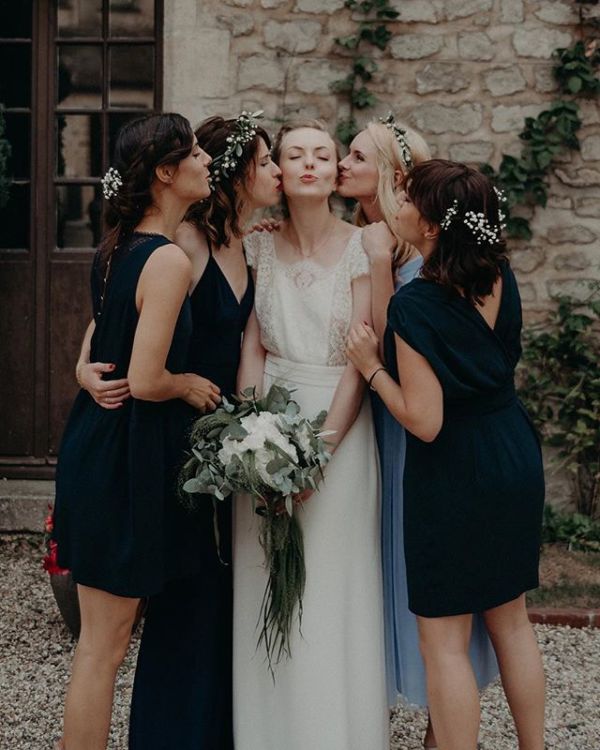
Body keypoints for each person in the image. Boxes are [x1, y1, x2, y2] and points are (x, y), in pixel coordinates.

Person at [347, 159, 545, 750]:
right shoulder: (498, 273)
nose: (399, 206)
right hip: (511, 451)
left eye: (408, 199)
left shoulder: (416, 305)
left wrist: (371, 367)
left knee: (444, 642)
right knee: (511, 621)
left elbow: (424, 420)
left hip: (454, 469)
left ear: (432, 226)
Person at [52, 113, 220, 750]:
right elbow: (147, 380)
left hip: (99, 444)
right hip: (125, 459)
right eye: (195, 153)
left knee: (100, 646)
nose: (207, 161)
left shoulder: (115, 245)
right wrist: (188, 384)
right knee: (104, 647)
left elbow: (102, 330)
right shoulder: (168, 259)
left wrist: (82, 368)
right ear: (166, 173)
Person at [339, 120, 498, 747]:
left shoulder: (417, 254)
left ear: (392, 174)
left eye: (356, 155)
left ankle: (442, 724)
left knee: (428, 580)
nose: (342, 162)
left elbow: (393, 350)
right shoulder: (359, 234)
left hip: (412, 424)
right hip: (373, 424)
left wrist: (380, 265)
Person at [128, 111, 282, 750]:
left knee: (222, 589)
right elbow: (124, 319)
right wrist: (84, 366)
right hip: (180, 435)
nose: (276, 171)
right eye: (265, 162)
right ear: (237, 171)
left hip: (229, 436)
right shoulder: (187, 243)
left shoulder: (252, 243)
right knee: (186, 592)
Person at [233, 120, 389, 750]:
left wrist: (321, 448)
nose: (308, 164)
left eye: (323, 155)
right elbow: (252, 344)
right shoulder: (258, 245)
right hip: (266, 424)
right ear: (277, 171)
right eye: (293, 154)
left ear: (334, 173)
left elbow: (360, 357)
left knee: (329, 583)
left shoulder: (361, 248)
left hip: (338, 427)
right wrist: (251, 435)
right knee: (264, 573)